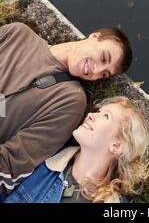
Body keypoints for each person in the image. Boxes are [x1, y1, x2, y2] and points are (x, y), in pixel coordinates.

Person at [0, 22, 132, 200]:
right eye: (103, 57)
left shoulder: (71, 102)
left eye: (104, 74)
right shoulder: (17, 33)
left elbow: (11, 164)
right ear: (95, 36)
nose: (96, 71)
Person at [4, 96, 149, 204]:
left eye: (106, 116)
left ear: (117, 146)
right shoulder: (44, 159)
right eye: (98, 111)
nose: (91, 115)